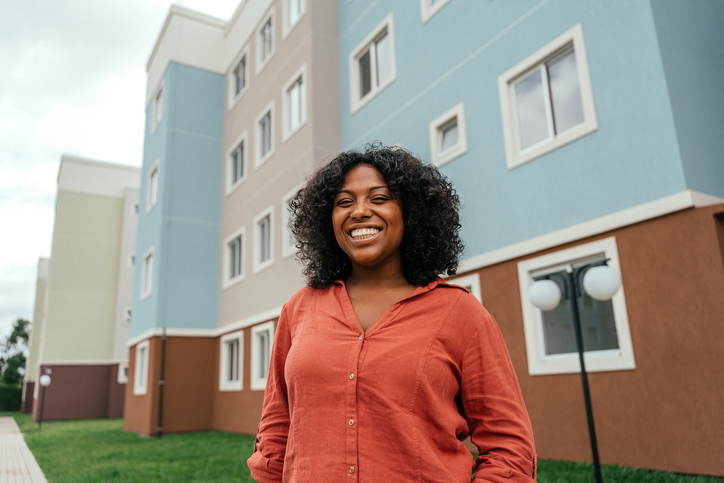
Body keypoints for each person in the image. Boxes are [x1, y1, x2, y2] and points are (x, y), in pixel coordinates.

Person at [247, 145, 536, 482]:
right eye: (344, 202)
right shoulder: (299, 309)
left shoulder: (461, 314)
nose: (359, 212)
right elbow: (276, 430)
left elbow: (509, 447)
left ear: (410, 212)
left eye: (379, 199)